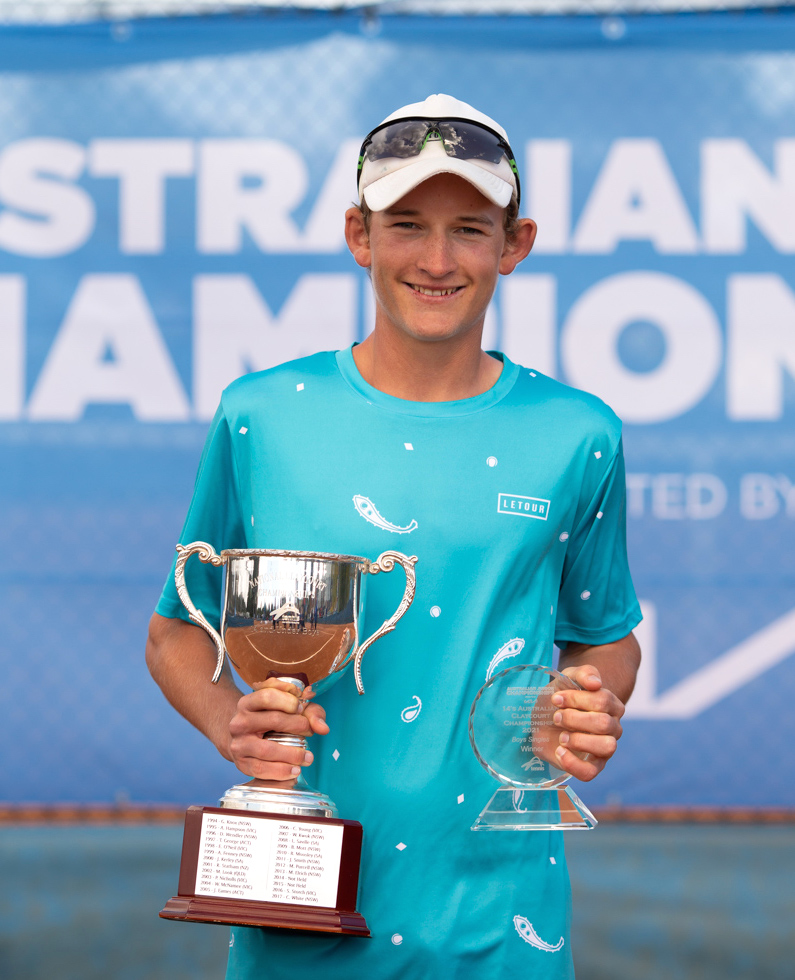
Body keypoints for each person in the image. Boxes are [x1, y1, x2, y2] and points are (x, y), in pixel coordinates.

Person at [147, 93, 642, 980]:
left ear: (513, 245)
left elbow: (602, 637)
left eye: (469, 229)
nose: (438, 259)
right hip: (296, 890)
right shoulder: (260, 415)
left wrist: (585, 707)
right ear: (358, 236)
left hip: (499, 901)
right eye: (406, 224)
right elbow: (176, 632)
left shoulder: (579, 431)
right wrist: (237, 729)